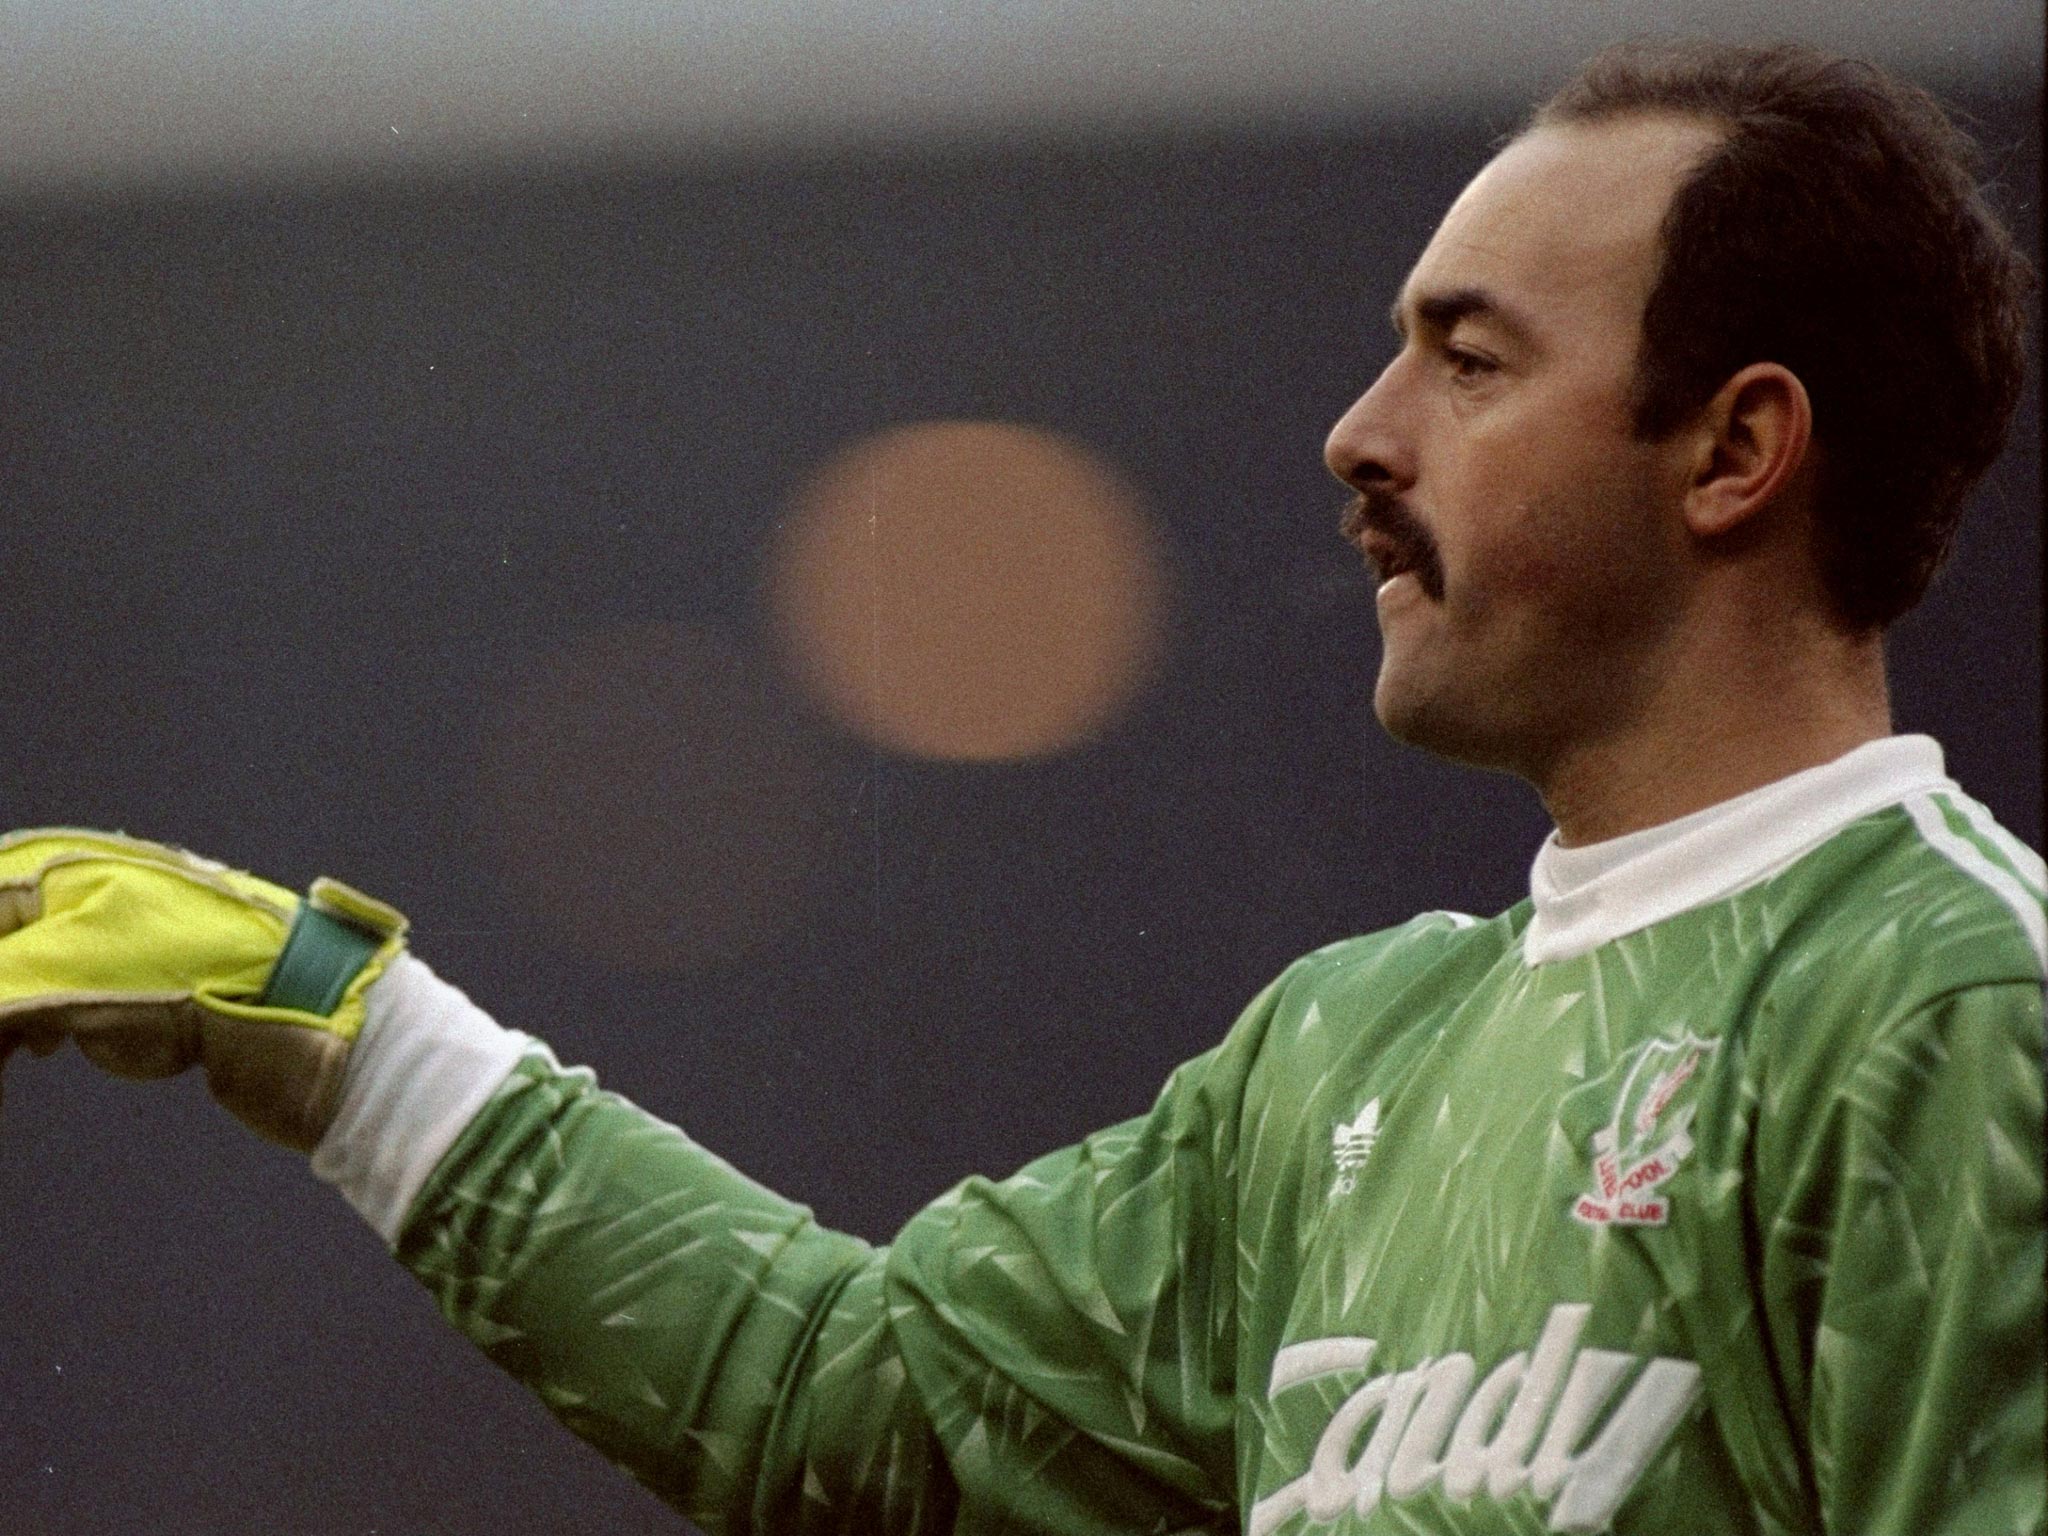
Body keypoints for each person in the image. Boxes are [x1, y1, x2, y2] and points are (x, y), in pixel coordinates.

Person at [0, 37, 2038, 1536]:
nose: (1354, 433)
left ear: (1732, 452)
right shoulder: (1348, 1052)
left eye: (1469, 360)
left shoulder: (1938, 1013)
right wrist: (345, 1040)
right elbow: (844, 1408)